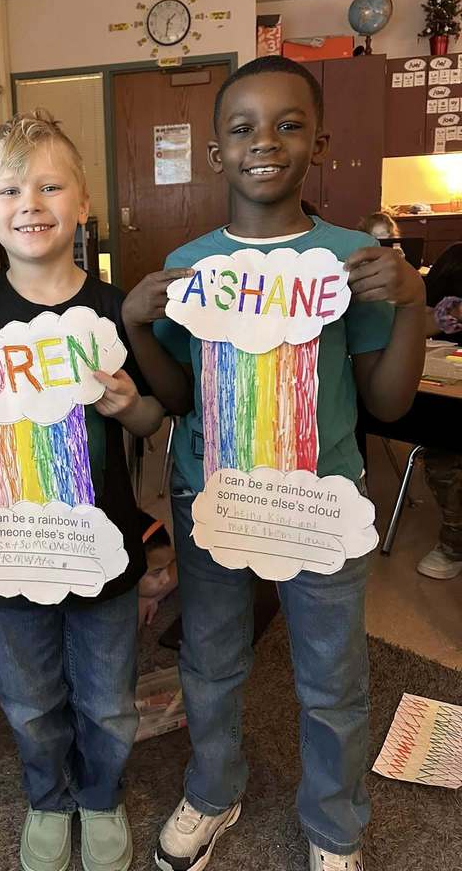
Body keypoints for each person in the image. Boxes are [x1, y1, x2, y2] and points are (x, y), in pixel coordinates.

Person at [122, 56, 426, 871]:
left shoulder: (352, 258)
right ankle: (214, 788)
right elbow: (178, 395)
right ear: (215, 153)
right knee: (210, 659)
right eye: (242, 127)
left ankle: (334, 825)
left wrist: (414, 303)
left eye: (289, 124)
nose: (266, 142)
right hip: (211, 497)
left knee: (332, 676)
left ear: (318, 143)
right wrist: (139, 327)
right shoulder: (190, 262)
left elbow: (388, 405)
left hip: (322, 503)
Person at [0, 110, 163, 871]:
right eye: (10, 190)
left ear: (83, 203)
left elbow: (154, 412)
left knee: (106, 697)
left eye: (50, 185)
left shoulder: (112, 309)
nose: (31, 202)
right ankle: (47, 797)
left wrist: (130, 407)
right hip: (13, 552)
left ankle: (99, 796)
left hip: (104, 547)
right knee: (30, 699)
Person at [418, 242, 462, 579]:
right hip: (444, 391)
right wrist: (440, 319)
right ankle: (453, 543)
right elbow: (420, 321)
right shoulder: (453, 260)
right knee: (443, 451)